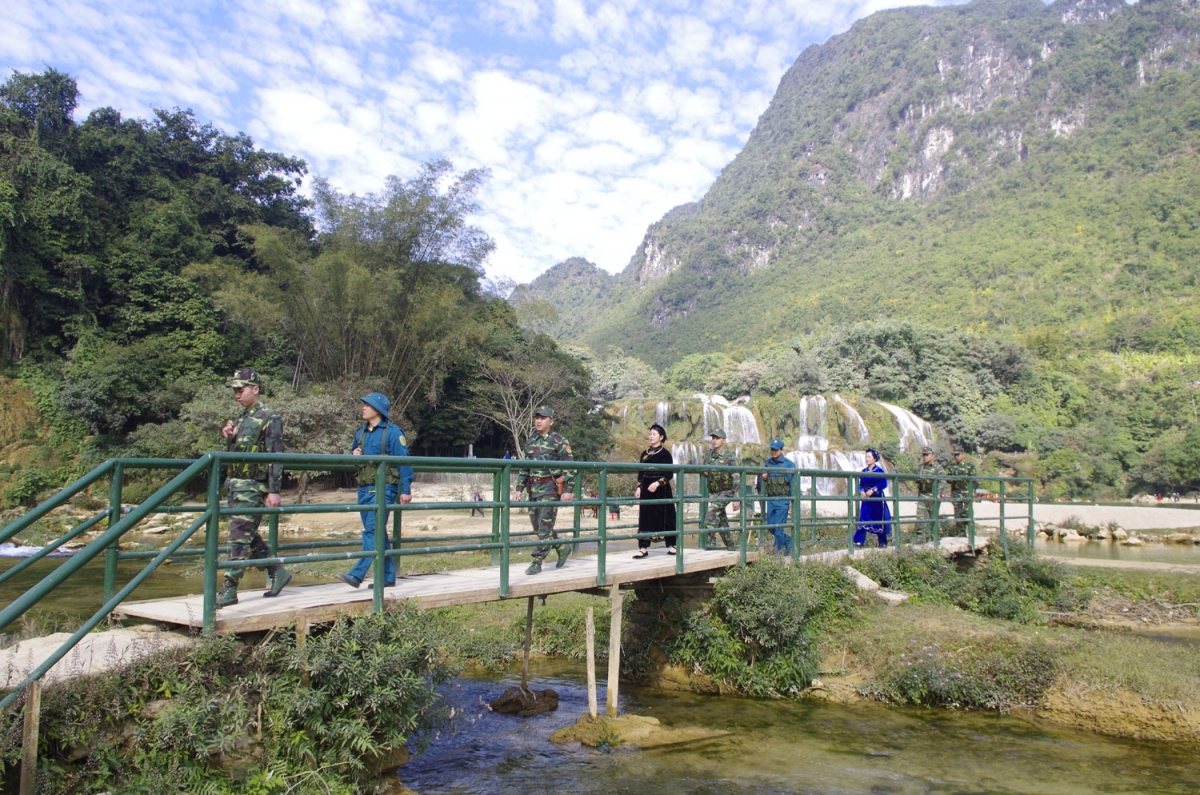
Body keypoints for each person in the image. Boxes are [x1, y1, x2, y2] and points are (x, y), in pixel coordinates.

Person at [216, 369, 291, 607]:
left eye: (241, 389)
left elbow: (275, 455)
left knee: (238, 538)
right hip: (236, 484)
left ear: (255, 389)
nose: (237, 394)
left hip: (253, 486)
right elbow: (236, 453)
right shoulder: (242, 418)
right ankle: (276, 570)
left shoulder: (270, 417)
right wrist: (229, 436)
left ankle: (229, 589)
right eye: (235, 390)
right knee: (245, 534)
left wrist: (274, 489)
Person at [337, 392, 414, 589]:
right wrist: (353, 454)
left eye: (367, 405)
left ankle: (357, 574)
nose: (363, 408)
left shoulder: (394, 433)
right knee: (378, 532)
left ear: (378, 410)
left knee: (372, 531)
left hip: (384, 489)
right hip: (364, 488)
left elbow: (404, 463)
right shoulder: (360, 433)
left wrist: (405, 489)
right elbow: (354, 454)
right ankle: (388, 576)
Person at [512, 406, 575, 575]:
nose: (538, 420)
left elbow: (571, 467)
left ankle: (537, 561)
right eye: (537, 417)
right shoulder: (531, 440)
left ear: (551, 421)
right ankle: (562, 546)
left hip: (550, 489)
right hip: (533, 489)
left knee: (544, 527)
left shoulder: (559, 441)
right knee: (537, 526)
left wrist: (568, 489)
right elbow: (524, 467)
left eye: (543, 418)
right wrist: (519, 488)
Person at [633, 424, 676, 558]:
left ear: (661, 437)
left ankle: (672, 545)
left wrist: (658, 483)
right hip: (646, 488)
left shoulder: (665, 454)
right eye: (650, 434)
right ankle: (643, 547)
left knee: (666, 516)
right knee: (645, 517)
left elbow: (669, 474)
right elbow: (641, 472)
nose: (651, 436)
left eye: (654, 434)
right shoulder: (644, 454)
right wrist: (639, 487)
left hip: (661, 490)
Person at [701, 429, 739, 550]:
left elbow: (736, 477)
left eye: (717, 438)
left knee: (710, 514)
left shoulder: (729, 456)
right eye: (713, 438)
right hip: (714, 492)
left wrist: (737, 498)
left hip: (726, 492)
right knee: (721, 519)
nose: (714, 440)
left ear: (724, 440)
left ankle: (711, 542)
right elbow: (702, 470)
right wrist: (705, 472)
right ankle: (731, 546)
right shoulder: (708, 456)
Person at [759, 438, 796, 556]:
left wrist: (791, 500)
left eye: (776, 450)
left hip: (783, 500)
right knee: (770, 526)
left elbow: (792, 484)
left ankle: (778, 551)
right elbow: (763, 480)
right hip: (771, 499)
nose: (773, 452)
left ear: (782, 450)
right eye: (772, 449)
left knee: (778, 528)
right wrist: (764, 477)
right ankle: (789, 541)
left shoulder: (789, 465)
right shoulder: (768, 463)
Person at [854, 448, 891, 547]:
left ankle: (882, 542)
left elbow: (884, 484)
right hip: (866, 498)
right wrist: (861, 491)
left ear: (874, 459)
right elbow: (860, 484)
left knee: (878, 519)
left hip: (877, 498)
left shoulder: (880, 471)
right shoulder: (863, 471)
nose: (867, 459)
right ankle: (859, 541)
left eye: (869, 457)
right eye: (866, 457)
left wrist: (873, 490)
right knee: (864, 518)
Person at [914, 445, 944, 541]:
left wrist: (938, 493)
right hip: (923, 495)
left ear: (932, 456)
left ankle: (936, 538)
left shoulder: (937, 467)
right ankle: (919, 539)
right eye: (924, 455)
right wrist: (919, 480)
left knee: (934, 518)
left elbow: (942, 481)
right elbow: (915, 478)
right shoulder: (921, 468)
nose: (925, 457)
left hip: (933, 495)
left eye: (927, 455)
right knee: (920, 518)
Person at [944, 445, 976, 534]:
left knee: (967, 511)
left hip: (966, 491)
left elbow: (974, 480)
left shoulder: (969, 466)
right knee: (957, 512)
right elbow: (948, 478)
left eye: (958, 454)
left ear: (963, 455)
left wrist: (973, 490)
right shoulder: (952, 466)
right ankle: (961, 532)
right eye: (955, 455)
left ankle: (971, 531)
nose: (956, 457)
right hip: (956, 492)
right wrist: (952, 479)